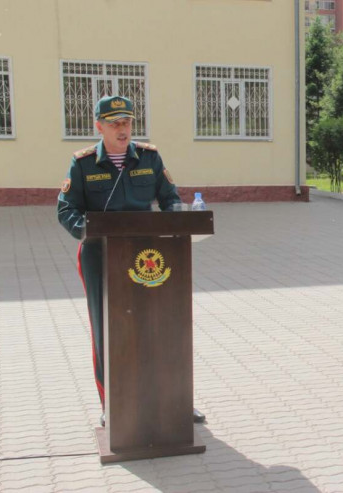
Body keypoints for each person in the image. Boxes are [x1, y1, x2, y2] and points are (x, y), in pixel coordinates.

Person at [57, 95, 205, 426]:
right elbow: (66, 209)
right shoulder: (83, 164)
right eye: (114, 124)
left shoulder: (149, 158)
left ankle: (176, 400)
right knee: (106, 328)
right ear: (99, 127)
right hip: (100, 256)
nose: (122, 130)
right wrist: (90, 232)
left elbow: (169, 198)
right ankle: (111, 404)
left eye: (126, 123)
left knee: (163, 324)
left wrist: (177, 221)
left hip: (149, 253)